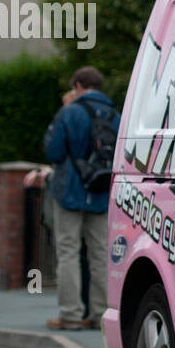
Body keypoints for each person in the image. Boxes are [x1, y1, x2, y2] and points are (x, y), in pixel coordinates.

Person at [43, 66, 119, 330]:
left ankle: (71, 314)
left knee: (68, 252)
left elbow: (52, 151)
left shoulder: (70, 112)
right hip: (101, 191)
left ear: (77, 85)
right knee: (99, 253)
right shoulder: (115, 114)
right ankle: (100, 314)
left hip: (70, 191)